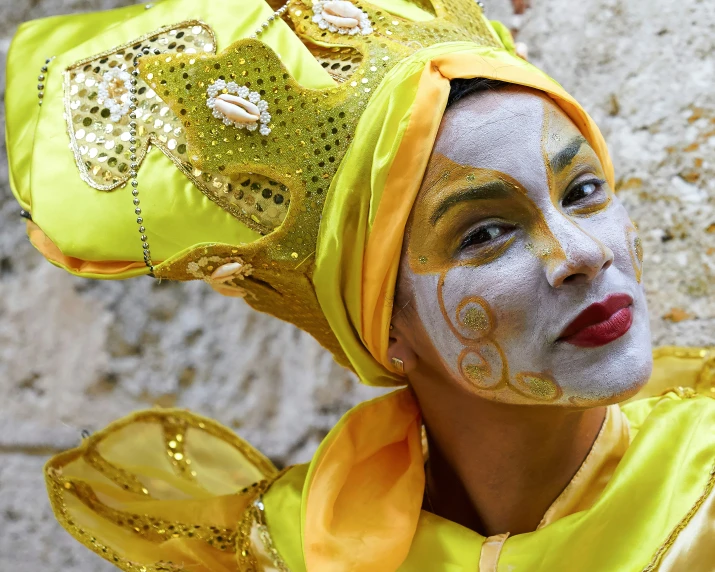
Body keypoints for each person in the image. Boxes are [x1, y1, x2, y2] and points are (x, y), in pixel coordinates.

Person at [5, 0, 714, 570]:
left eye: (584, 190)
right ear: (385, 327)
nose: (581, 254)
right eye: (483, 233)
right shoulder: (287, 549)